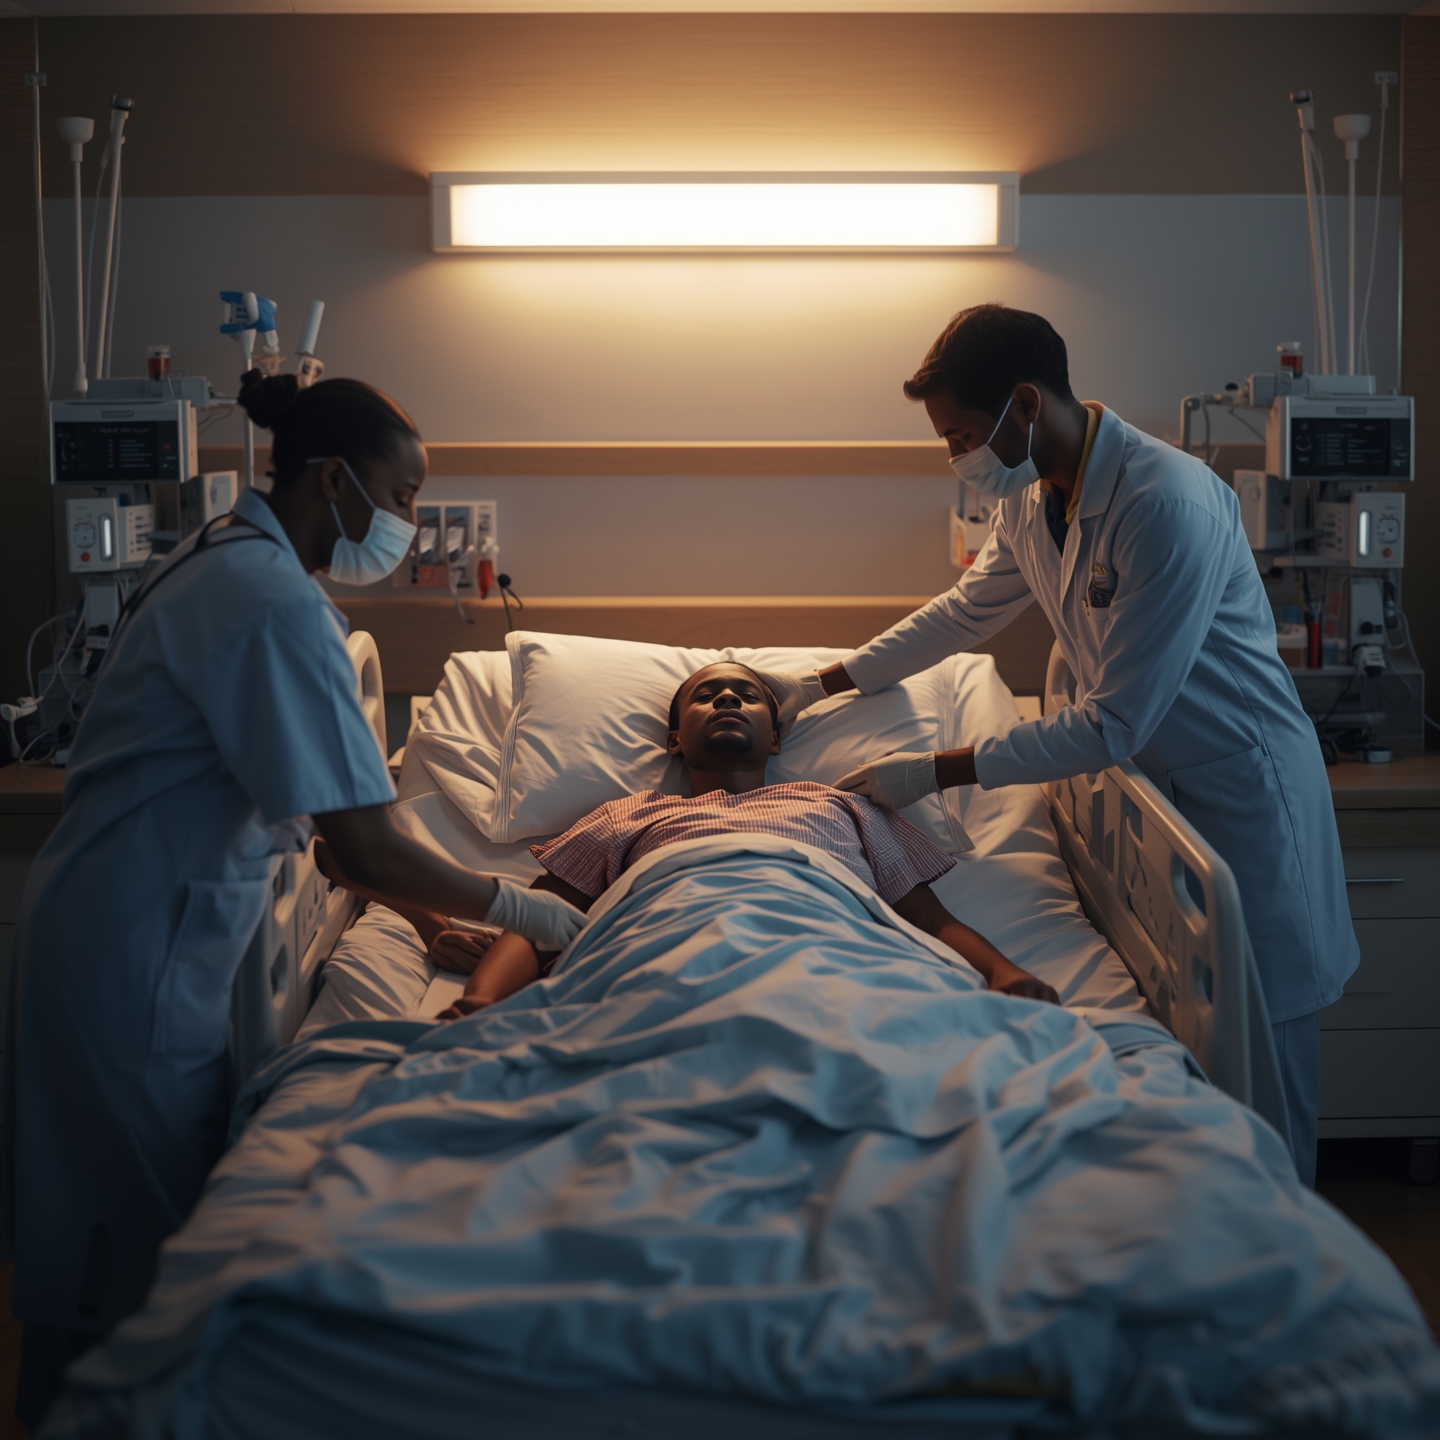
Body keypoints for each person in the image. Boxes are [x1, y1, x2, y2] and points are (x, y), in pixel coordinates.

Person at [7, 372, 584, 1426]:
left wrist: (417, 913)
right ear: (337, 481)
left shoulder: (230, 559)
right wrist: (525, 910)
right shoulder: (272, 605)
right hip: (131, 960)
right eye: (404, 499)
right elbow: (360, 840)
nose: (409, 525)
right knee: (109, 1284)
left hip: (139, 931)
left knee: (107, 1267)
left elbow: (302, 814)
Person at [760, 305, 1357, 1189]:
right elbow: (965, 611)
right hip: (1161, 790)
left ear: (1026, 404)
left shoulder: (1166, 503)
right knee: (1203, 1065)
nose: (956, 455)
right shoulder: (1039, 493)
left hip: (1244, 795)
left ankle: (1290, 1255)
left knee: (1267, 1065)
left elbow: (1115, 723)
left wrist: (933, 771)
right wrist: (821, 683)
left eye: (962, 434)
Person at [336, 662, 1055, 1018]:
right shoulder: (625, 815)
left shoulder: (840, 805)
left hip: (826, 943)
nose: (729, 700)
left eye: (747, 696)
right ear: (674, 738)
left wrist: (1001, 974)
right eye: (706, 697)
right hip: (663, 945)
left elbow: (927, 918)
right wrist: (481, 1002)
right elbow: (539, 925)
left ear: (778, 734)